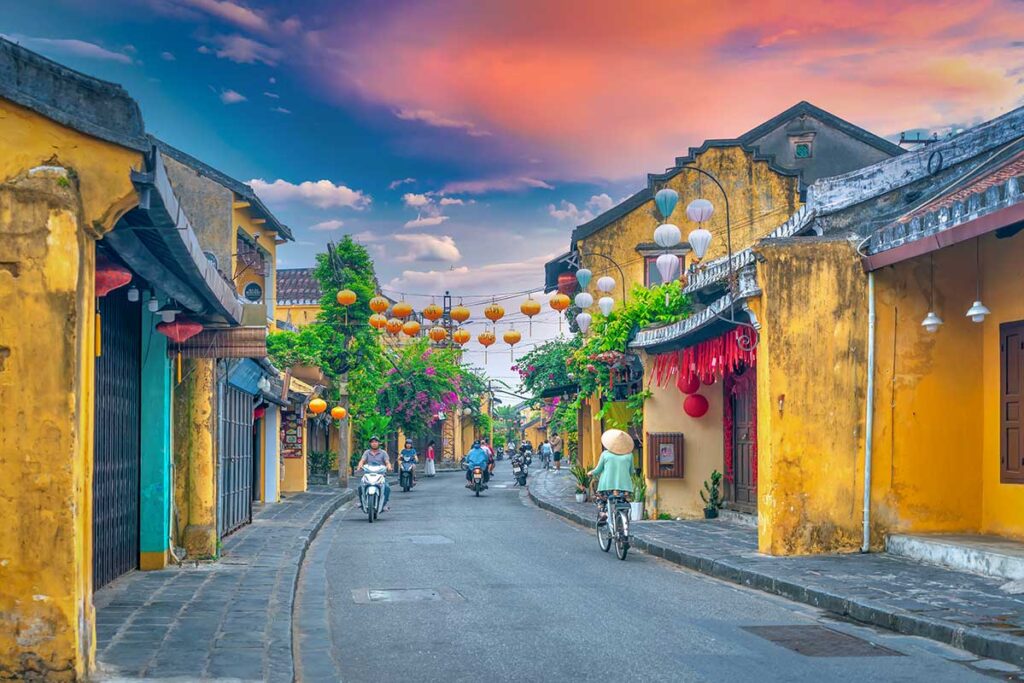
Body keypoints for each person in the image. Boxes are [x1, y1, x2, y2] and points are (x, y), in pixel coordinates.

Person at [588, 429, 635, 521]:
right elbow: (631, 471)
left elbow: (598, 470)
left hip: (606, 486)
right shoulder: (629, 455)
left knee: (601, 500)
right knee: (623, 502)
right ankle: (622, 519)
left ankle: (603, 513)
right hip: (625, 487)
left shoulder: (605, 454)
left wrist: (591, 472)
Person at [357, 436, 392, 510]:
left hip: (380, 475)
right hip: (368, 475)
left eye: (376, 442)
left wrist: (389, 466)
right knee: (360, 487)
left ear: (379, 443)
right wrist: (359, 466)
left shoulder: (383, 453)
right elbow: (362, 460)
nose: (374, 443)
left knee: (387, 488)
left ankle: (383, 504)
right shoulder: (367, 452)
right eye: (372, 442)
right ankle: (362, 502)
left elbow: (387, 462)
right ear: (370, 443)